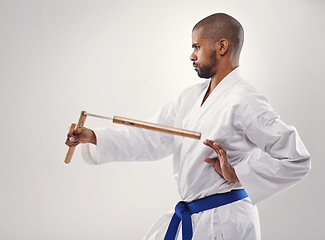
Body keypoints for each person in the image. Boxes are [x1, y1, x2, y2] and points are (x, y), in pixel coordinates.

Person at [66, 13, 311, 240]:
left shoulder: (245, 100)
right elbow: (151, 136)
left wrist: (238, 174)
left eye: (197, 46)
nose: (191, 55)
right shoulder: (190, 98)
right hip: (196, 217)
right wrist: (94, 136)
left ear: (221, 46)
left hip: (226, 221)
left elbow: (297, 159)